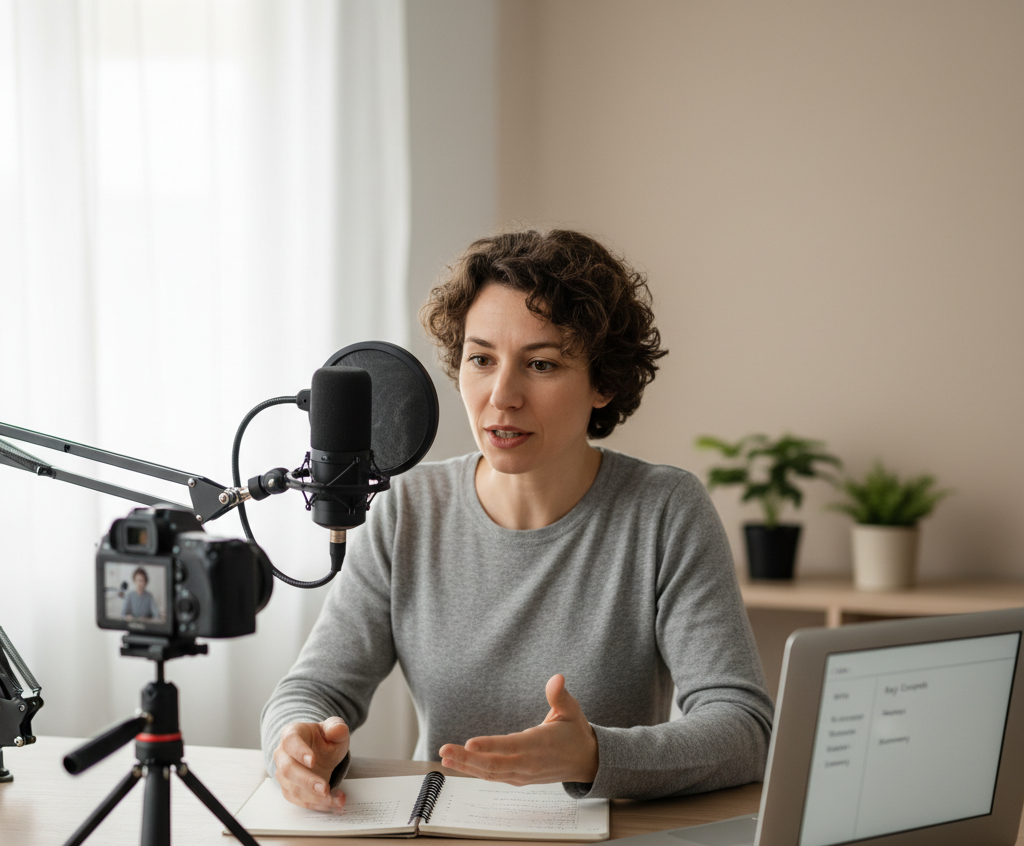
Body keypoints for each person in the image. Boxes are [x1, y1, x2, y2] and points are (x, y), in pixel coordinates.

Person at [261, 228, 773, 811]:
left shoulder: (664, 511)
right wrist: (293, 743)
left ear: (603, 381)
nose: (502, 395)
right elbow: (312, 690)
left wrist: (594, 755)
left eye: (541, 364)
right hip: (438, 839)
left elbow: (744, 728)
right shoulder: (408, 508)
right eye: (481, 359)